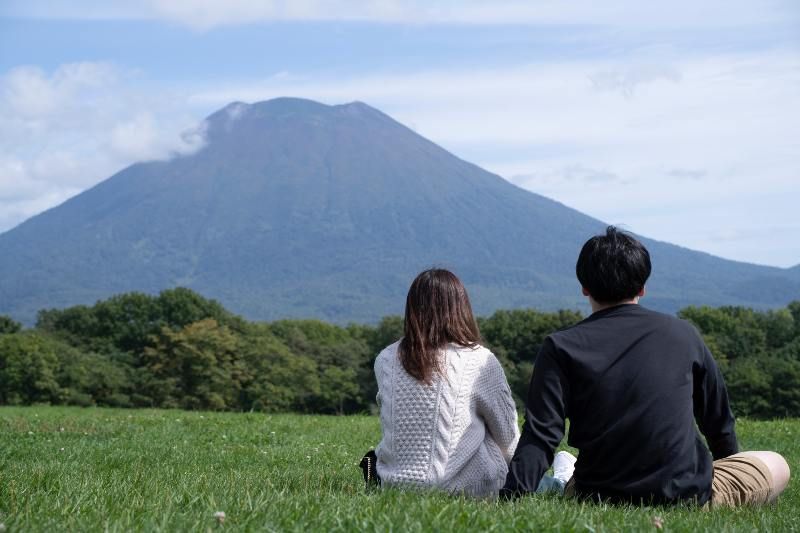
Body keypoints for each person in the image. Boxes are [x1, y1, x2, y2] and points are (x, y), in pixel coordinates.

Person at [501, 226, 790, 506]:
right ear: (643, 286)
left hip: (594, 492)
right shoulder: (682, 334)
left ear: (584, 287)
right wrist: (729, 463)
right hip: (685, 493)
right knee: (776, 463)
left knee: (576, 472)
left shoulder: (560, 346)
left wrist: (512, 496)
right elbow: (717, 419)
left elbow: (541, 434)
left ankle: (568, 472)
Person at [374, 268, 575, 498]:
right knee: (549, 486)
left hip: (395, 487)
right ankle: (563, 475)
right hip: (466, 489)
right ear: (461, 308)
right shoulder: (478, 360)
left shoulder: (386, 359)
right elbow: (508, 442)